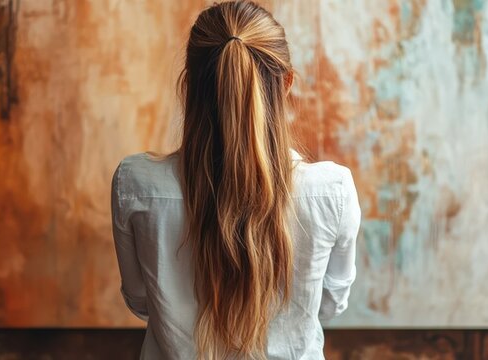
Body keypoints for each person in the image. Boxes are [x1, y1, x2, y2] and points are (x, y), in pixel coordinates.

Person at [110, 1, 361, 359]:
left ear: (189, 84)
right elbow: (330, 305)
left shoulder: (135, 185)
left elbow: (140, 300)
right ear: (287, 83)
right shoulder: (331, 192)